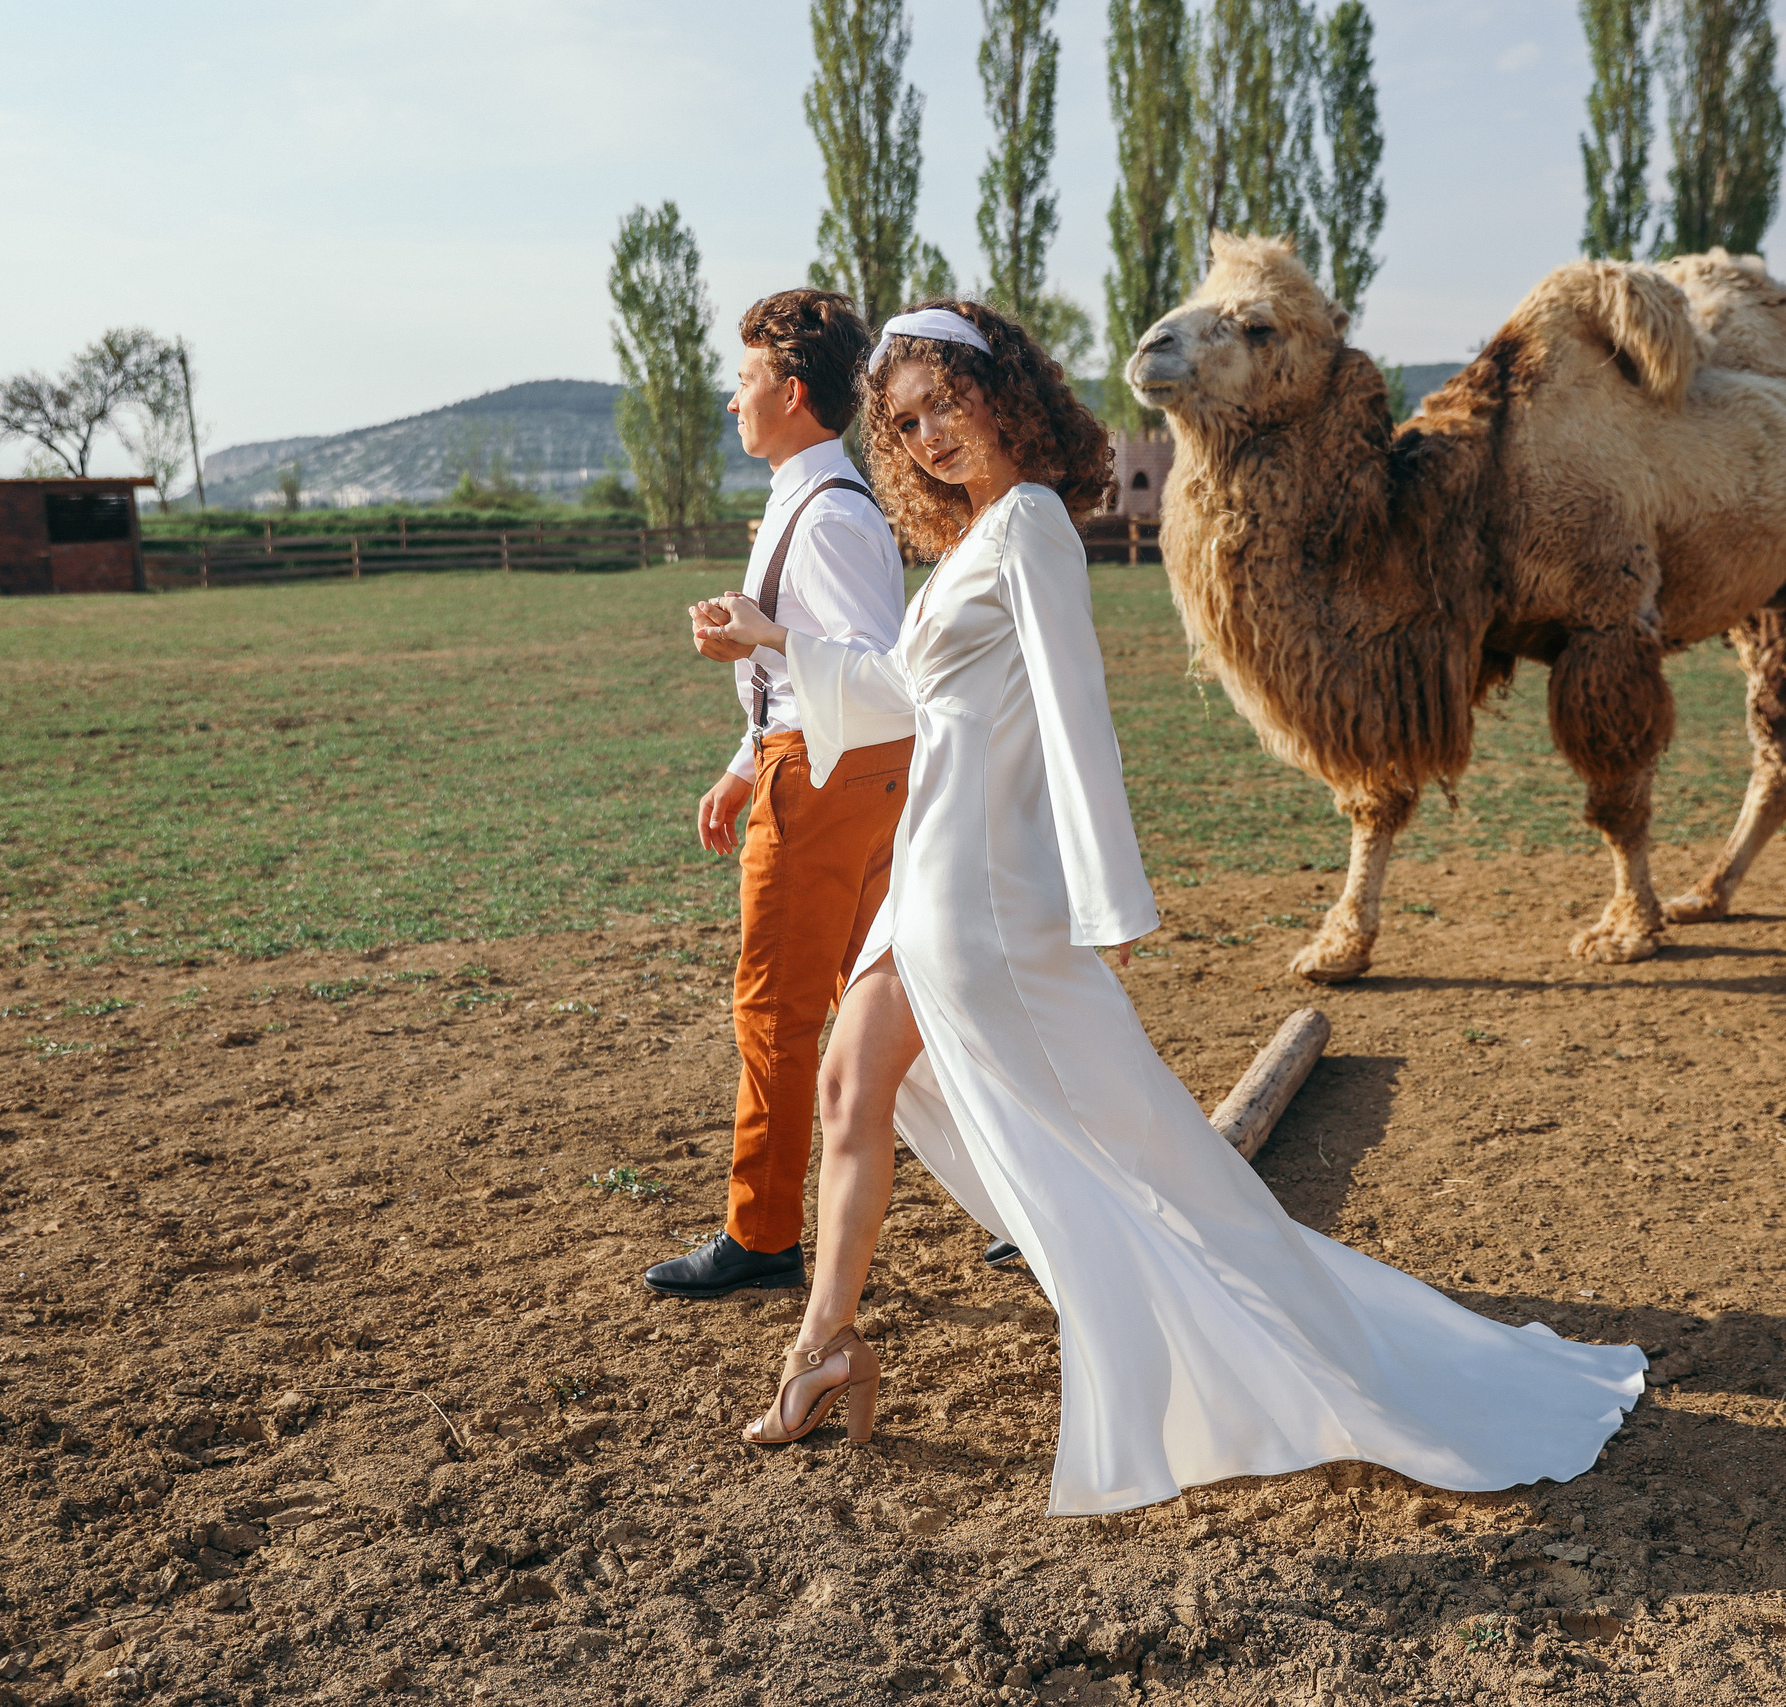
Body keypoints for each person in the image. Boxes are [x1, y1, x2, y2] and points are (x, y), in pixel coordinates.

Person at [692, 299, 1649, 1515]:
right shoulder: (975, 537)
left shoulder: (1031, 524)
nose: (929, 435)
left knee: (1132, 1150)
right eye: (907, 420)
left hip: (985, 898)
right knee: (847, 1085)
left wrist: (1107, 902)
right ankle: (825, 1347)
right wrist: (774, 640)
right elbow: (900, 694)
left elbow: (1077, 714)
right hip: (923, 878)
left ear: (1005, 396)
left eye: (946, 403)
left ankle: (1276, 1346)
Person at [641, 289, 914, 1301]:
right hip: (831, 768)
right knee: (895, 1006)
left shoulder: (828, 515)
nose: (732, 400)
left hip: (825, 783)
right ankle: (1024, 1205)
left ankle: (760, 1233)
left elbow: (880, 675)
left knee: (775, 1010)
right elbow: (814, 670)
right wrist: (742, 757)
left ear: (790, 392)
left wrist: (764, 639)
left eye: (745, 378)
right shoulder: (817, 500)